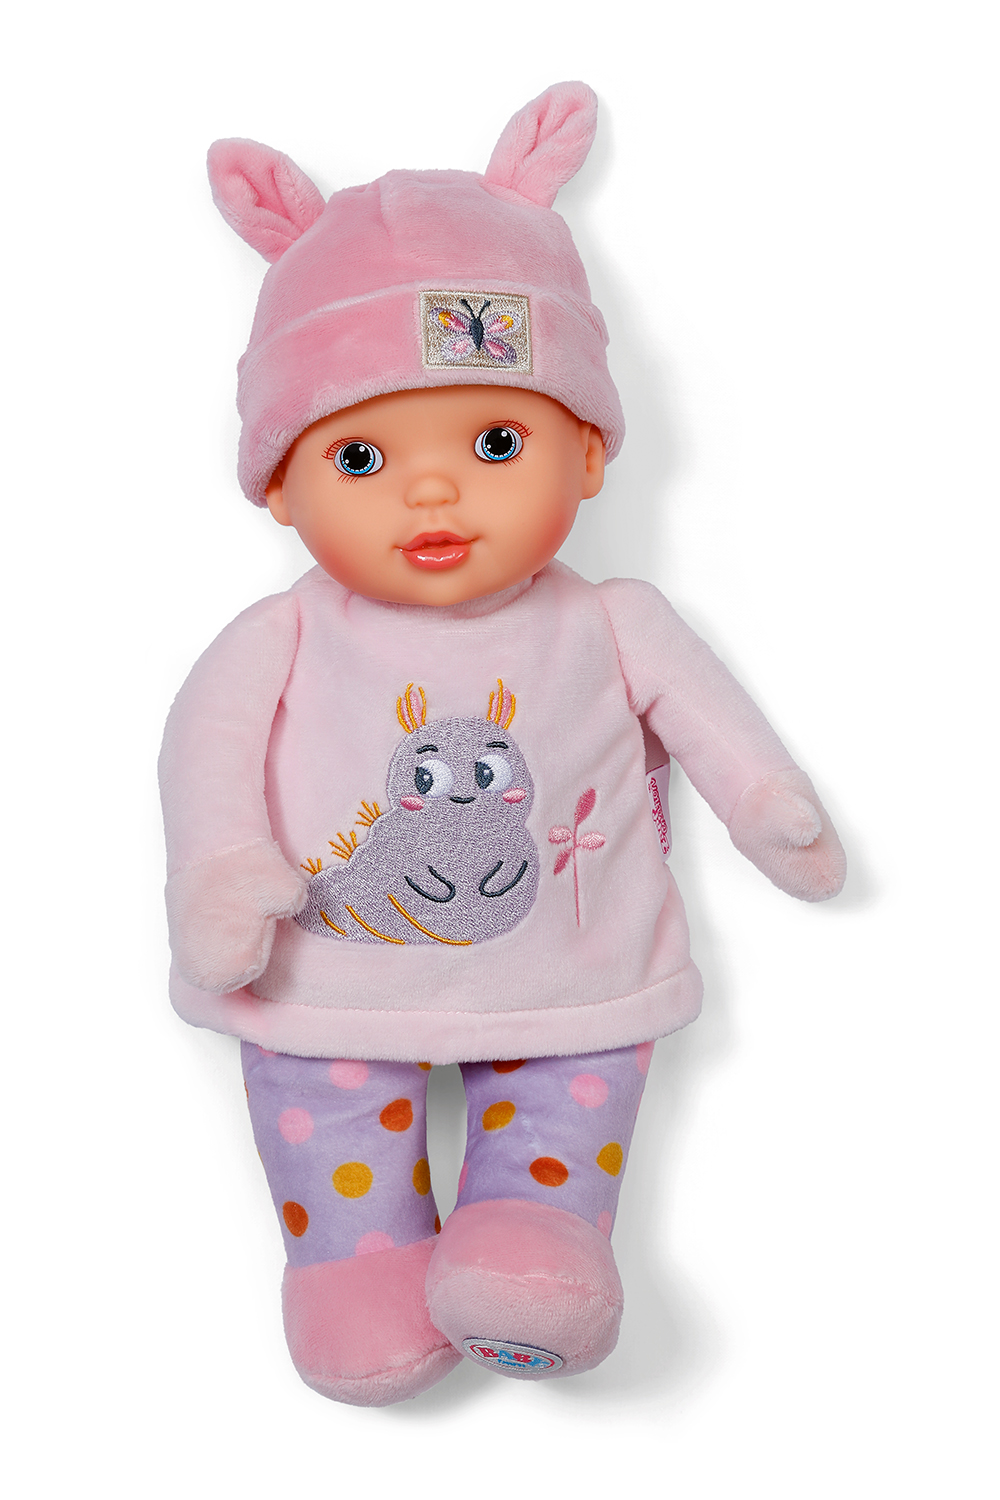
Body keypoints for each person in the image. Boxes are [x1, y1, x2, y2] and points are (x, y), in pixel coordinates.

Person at [159, 82, 845, 1407]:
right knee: (321, 1107)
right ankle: (353, 1268)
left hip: (575, 980)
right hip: (326, 976)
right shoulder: (282, 634)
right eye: (361, 458)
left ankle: (538, 1240)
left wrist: (772, 808)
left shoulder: (613, 620)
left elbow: (717, 732)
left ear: (587, 455)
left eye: (493, 440)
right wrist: (221, 873)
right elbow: (206, 753)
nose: (434, 490)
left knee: (572, 1096)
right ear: (281, 485)